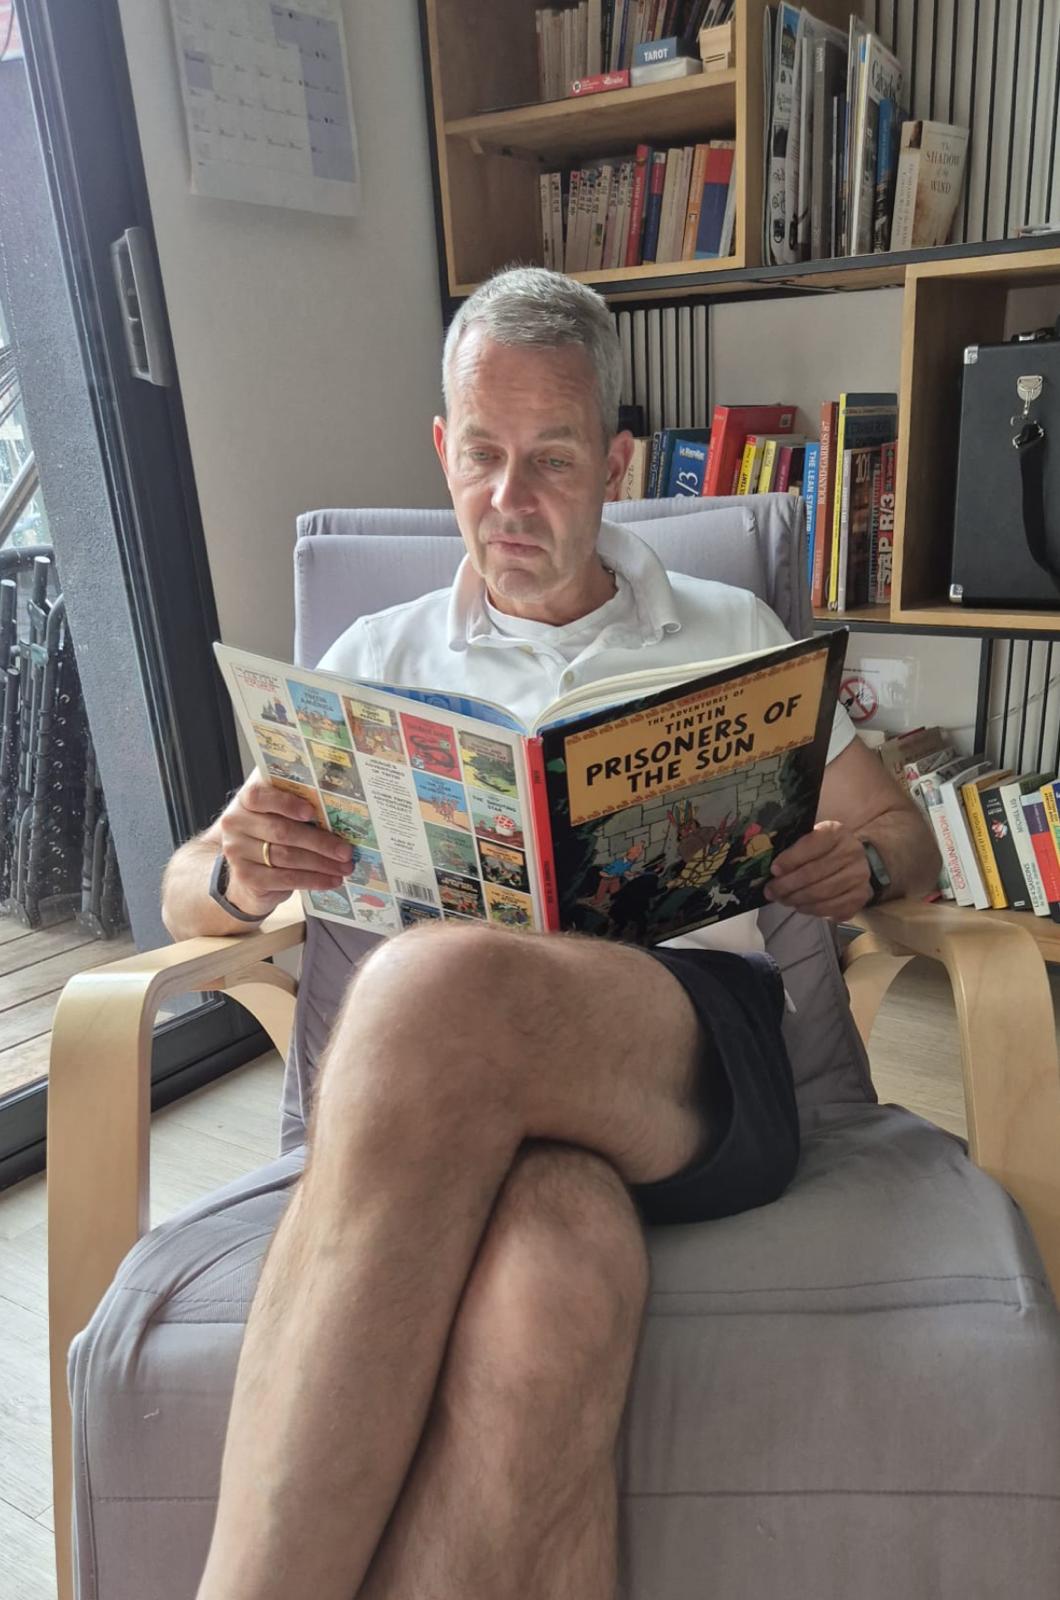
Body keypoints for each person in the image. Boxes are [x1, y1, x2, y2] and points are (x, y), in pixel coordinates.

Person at [162, 267, 940, 1600]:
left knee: (435, 984)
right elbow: (190, 894)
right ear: (441, 449)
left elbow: (904, 838)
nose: (509, 500)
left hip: (692, 1064)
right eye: (482, 456)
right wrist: (236, 872)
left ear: (617, 463)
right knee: (552, 1287)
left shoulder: (730, 633)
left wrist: (858, 862)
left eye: (554, 460)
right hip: (460, 1120)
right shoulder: (373, 657)